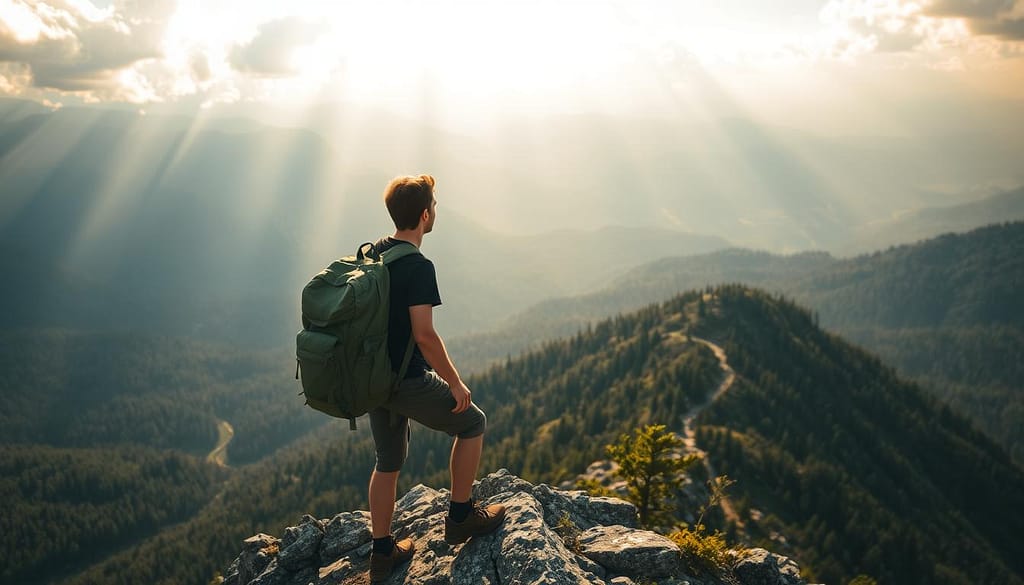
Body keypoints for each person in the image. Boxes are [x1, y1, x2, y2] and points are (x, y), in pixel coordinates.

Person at [367, 174, 506, 583]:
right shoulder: (418, 266)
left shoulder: (375, 252)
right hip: (406, 380)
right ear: (426, 215)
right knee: (472, 422)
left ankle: (381, 552)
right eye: (435, 207)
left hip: (375, 381)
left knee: (387, 461)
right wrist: (456, 383)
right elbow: (424, 335)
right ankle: (461, 516)